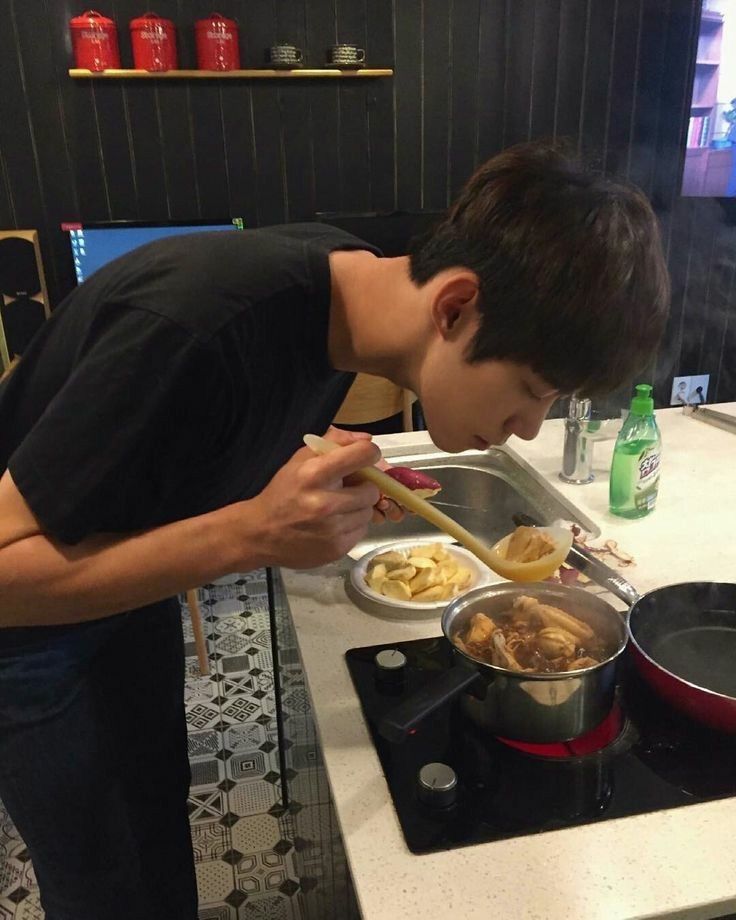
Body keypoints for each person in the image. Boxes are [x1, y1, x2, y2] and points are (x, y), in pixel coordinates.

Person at [0, 139, 670, 920]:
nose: (528, 428)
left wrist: (332, 479)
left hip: (121, 585)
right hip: (28, 633)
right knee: (99, 868)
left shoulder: (342, 285)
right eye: (531, 390)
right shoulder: (193, 323)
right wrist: (253, 534)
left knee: (153, 809)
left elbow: (200, 429)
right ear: (454, 307)